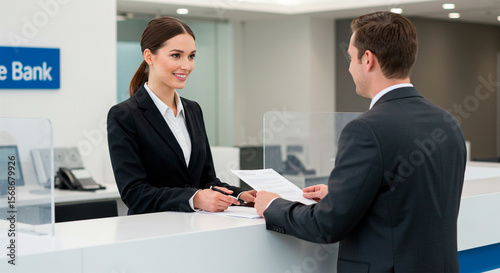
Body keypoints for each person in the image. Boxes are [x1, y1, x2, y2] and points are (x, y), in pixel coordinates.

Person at [255, 11, 466, 273]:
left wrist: (273, 206)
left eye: (351, 57)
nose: (349, 67)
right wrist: (343, 196)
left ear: (368, 59)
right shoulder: (448, 122)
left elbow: (326, 225)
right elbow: (410, 200)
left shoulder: (365, 129)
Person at [107, 17, 256, 215]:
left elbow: (206, 181)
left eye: (191, 56)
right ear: (149, 56)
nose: (186, 66)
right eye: (176, 55)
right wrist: (193, 198)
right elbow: (134, 194)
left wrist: (239, 195)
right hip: (151, 231)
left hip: (194, 227)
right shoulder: (124, 115)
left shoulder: (193, 110)